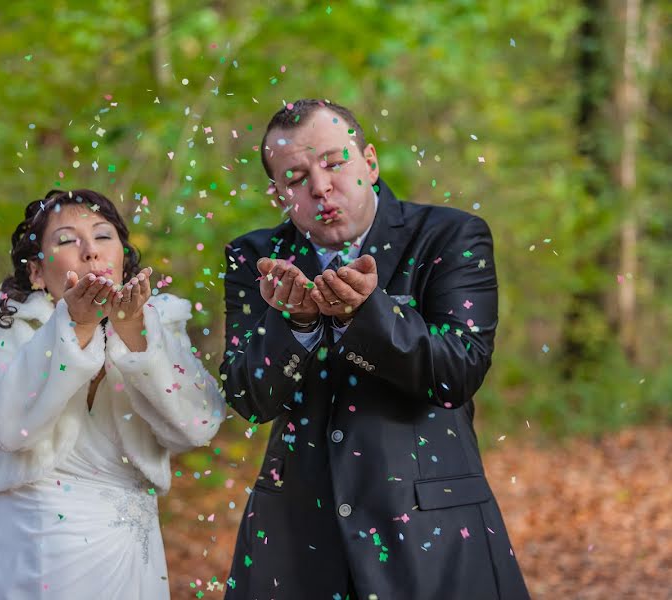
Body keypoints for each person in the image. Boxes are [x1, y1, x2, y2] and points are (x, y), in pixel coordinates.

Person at [221, 100, 530, 599]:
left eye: (334, 162)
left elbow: (458, 371)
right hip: (297, 538)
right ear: (278, 194)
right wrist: (296, 324)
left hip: (431, 532)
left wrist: (366, 317)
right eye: (296, 177)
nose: (319, 187)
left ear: (370, 161)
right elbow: (246, 397)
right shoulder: (255, 258)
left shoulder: (450, 236)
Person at [0, 188, 225, 599]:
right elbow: (2, 426)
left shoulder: (160, 321)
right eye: (67, 240)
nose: (90, 251)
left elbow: (197, 427)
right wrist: (76, 327)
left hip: (126, 549)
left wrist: (136, 334)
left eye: (103, 236)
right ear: (35, 271)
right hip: (32, 544)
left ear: (122, 255)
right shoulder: (3, 324)